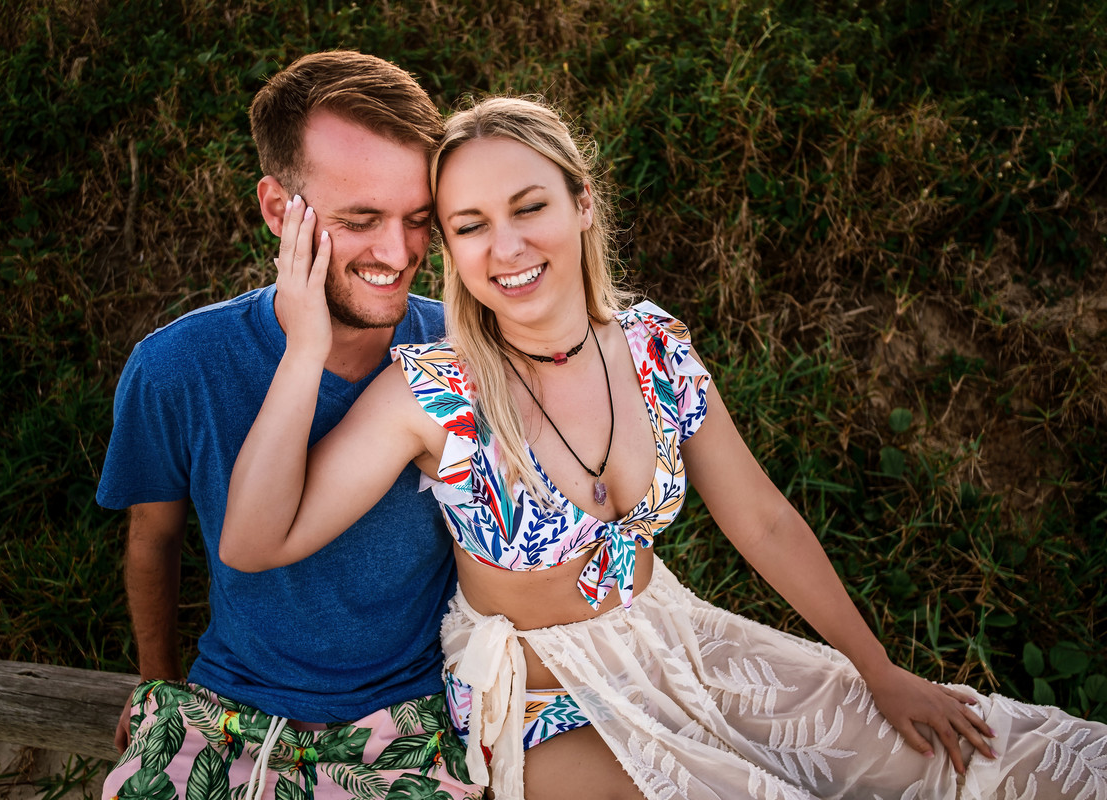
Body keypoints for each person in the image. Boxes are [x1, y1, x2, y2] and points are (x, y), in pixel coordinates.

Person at [219, 96, 1107, 800]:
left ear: (582, 204)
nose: (508, 246)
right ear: (449, 246)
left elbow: (760, 519)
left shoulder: (650, 346)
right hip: (539, 702)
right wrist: (302, 350)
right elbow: (254, 542)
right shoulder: (432, 388)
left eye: (530, 207)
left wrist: (877, 670)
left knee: (1002, 761)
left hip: (677, 643)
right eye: (471, 224)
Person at [95, 51, 482, 800]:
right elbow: (153, 539)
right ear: (278, 210)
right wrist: (155, 684)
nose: (398, 254)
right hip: (226, 708)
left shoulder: (461, 364)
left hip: (409, 722)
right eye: (360, 220)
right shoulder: (176, 367)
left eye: (417, 220)